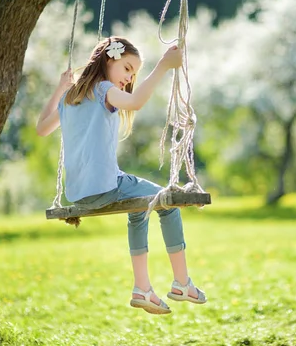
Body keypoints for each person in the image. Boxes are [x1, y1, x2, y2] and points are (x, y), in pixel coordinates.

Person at [36, 36, 206, 315]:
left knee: (139, 211)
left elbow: (42, 127)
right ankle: (182, 283)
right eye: (127, 68)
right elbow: (136, 102)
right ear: (109, 59)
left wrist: (59, 89)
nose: (129, 77)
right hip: (107, 186)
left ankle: (143, 289)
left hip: (80, 193)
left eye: (134, 73)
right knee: (168, 202)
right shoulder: (103, 89)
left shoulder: (70, 97)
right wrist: (163, 66)